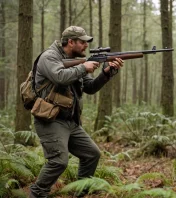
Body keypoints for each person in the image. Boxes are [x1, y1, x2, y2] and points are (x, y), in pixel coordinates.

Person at [29, 26, 124, 198]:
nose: (86, 46)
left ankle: (81, 193)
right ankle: (36, 194)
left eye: (87, 42)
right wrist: (84, 67)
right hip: (50, 119)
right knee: (58, 162)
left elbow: (90, 87)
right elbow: (59, 76)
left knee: (92, 154)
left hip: (70, 121)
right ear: (70, 42)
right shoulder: (49, 57)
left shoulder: (77, 60)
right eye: (82, 42)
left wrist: (107, 72)